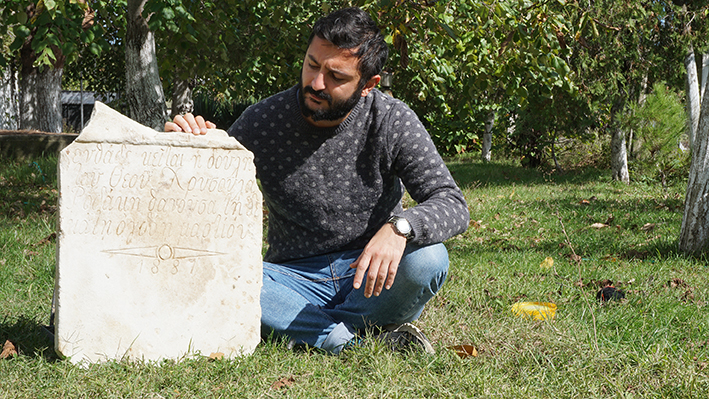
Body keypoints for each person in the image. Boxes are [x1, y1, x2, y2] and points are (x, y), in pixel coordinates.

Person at [166, 7, 469, 354]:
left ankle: (307, 328)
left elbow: (451, 203)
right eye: (312, 64)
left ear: (369, 85)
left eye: (336, 77)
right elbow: (208, 190)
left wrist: (400, 227)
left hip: (370, 275)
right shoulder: (264, 120)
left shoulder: (392, 120)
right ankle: (350, 341)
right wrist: (185, 147)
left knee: (428, 259)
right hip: (290, 278)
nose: (316, 83)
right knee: (226, 273)